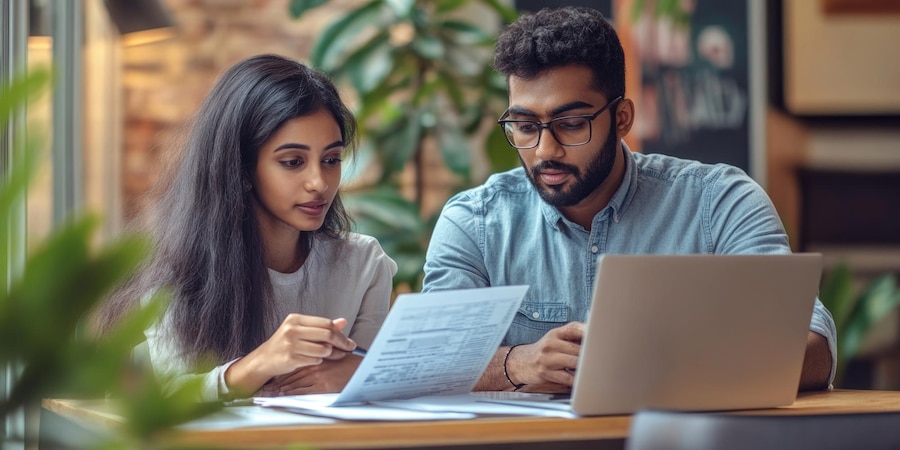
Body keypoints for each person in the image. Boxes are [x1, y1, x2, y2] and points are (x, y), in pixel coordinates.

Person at [422, 7, 836, 393]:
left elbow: (813, 350)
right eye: (526, 125)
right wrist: (519, 363)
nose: (545, 150)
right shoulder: (475, 222)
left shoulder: (720, 202)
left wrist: (662, 361)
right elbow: (428, 361)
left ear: (622, 118)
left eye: (570, 124)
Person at [95, 54, 397, 401]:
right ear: (241, 167)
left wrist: (363, 373)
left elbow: (366, 384)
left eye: (330, 160)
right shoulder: (176, 268)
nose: (319, 182)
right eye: (293, 162)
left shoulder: (364, 263)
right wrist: (261, 363)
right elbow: (170, 398)